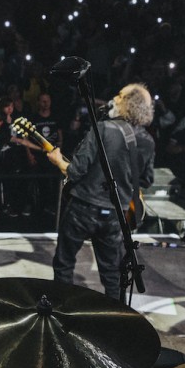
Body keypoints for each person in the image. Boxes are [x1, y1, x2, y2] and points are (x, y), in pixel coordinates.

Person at [43, 83, 157, 302]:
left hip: (83, 208)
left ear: (128, 103)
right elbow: (146, 180)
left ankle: (62, 311)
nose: (115, 97)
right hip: (117, 214)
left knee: (64, 262)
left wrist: (58, 161)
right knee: (112, 274)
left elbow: (76, 170)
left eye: (120, 95)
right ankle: (115, 320)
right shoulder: (147, 141)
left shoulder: (103, 129)